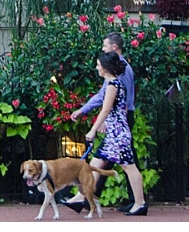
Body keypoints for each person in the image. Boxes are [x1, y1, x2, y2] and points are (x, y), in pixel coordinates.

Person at [63, 32, 137, 213]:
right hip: (117, 122)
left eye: (105, 46)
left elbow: (118, 101)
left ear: (114, 47)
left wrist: (104, 123)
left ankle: (85, 198)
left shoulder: (121, 71)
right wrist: (84, 110)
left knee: (120, 163)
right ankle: (85, 198)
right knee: (107, 161)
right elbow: (104, 97)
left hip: (119, 123)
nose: (102, 49)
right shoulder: (114, 74)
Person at [83, 51, 147, 215]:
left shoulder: (113, 85)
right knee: (95, 164)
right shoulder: (114, 83)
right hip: (115, 133)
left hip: (117, 134)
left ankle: (140, 203)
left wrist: (93, 130)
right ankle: (81, 197)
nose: (96, 67)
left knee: (129, 167)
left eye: (98, 65)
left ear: (105, 68)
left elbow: (105, 110)